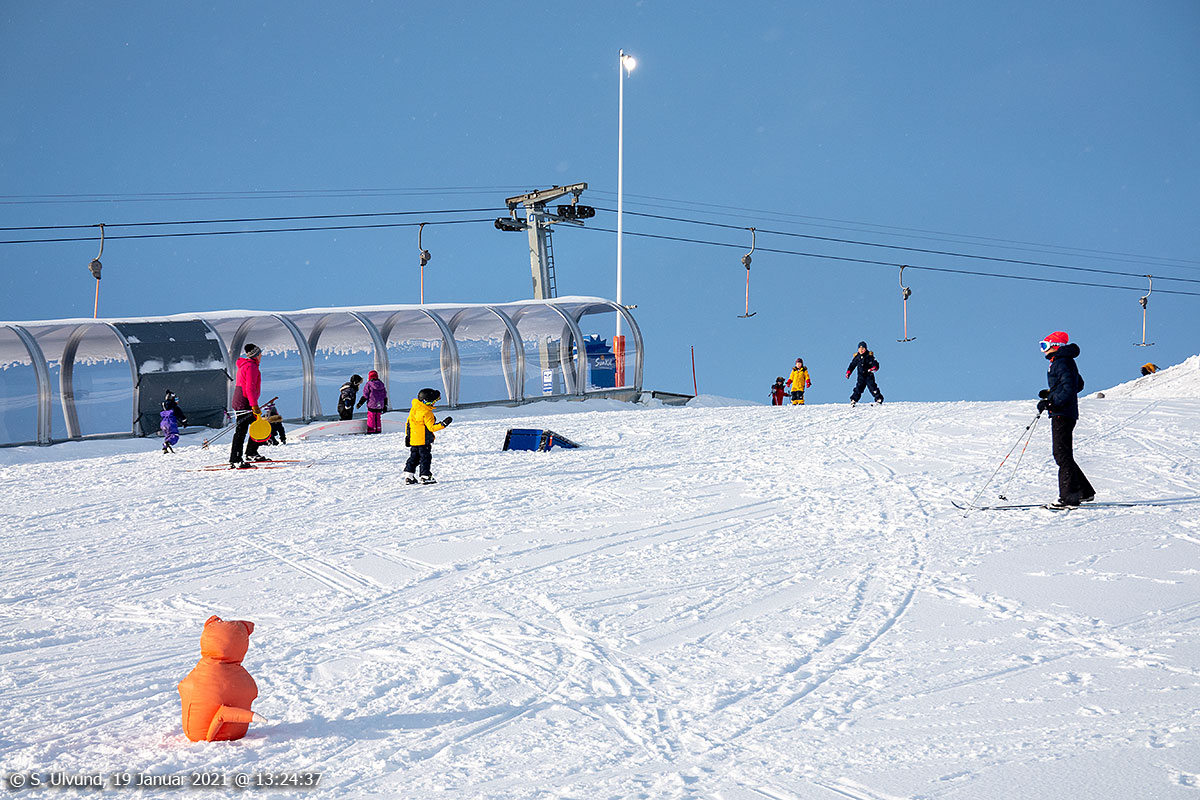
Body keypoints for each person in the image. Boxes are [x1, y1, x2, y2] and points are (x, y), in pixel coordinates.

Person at [1037, 331, 1095, 507]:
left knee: (1062, 455)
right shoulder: (1063, 361)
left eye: (1045, 346)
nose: (1042, 351)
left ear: (1056, 346)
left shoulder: (1062, 362)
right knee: (1063, 454)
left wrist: (1052, 402)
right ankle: (1084, 492)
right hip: (1064, 411)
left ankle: (1069, 497)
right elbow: (1077, 384)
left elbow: (1070, 388)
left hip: (1062, 412)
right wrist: (1051, 395)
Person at [403, 387, 451, 485]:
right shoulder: (427, 412)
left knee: (414, 457)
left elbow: (408, 424)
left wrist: (408, 437)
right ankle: (425, 476)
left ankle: (409, 476)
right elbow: (431, 428)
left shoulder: (414, 409)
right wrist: (443, 424)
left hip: (414, 440)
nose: (434, 404)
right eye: (433, 401)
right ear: (427, 402)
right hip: (423, 441)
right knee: (425, 458)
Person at [229, 343, 266, 468]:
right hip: (244, 401)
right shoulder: (251, 367)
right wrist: (254, 406)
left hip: (242, 399)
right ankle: (236, 459)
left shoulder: (247, 365)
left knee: (258, 424)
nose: (261, 355)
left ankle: (251, 452)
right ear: (255, 355)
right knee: (242, 430)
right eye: (260, 353)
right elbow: (249, 388)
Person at [845, 341, 883, 406]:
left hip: (869, 376)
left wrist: (874, 368)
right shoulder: (857, 357)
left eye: (863, 349)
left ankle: (878, 398)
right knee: (858, 388)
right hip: (861, 377)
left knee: (872, 387)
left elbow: (875, 363)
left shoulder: (869, 356)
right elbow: (852, 365)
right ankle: (854, 399)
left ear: (866, 349)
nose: (861, 350)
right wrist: (849, 372)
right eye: (860, 349)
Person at [356, 370, 388, 434]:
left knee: (371, 417)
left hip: (372, 404)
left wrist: (360, 403)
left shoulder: (369, 384)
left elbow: (365, 395)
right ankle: (378, 429)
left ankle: (371, 430)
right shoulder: (381, 384)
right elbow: (385, 396)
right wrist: (385, 405)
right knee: (378, 418)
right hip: (380, 404)